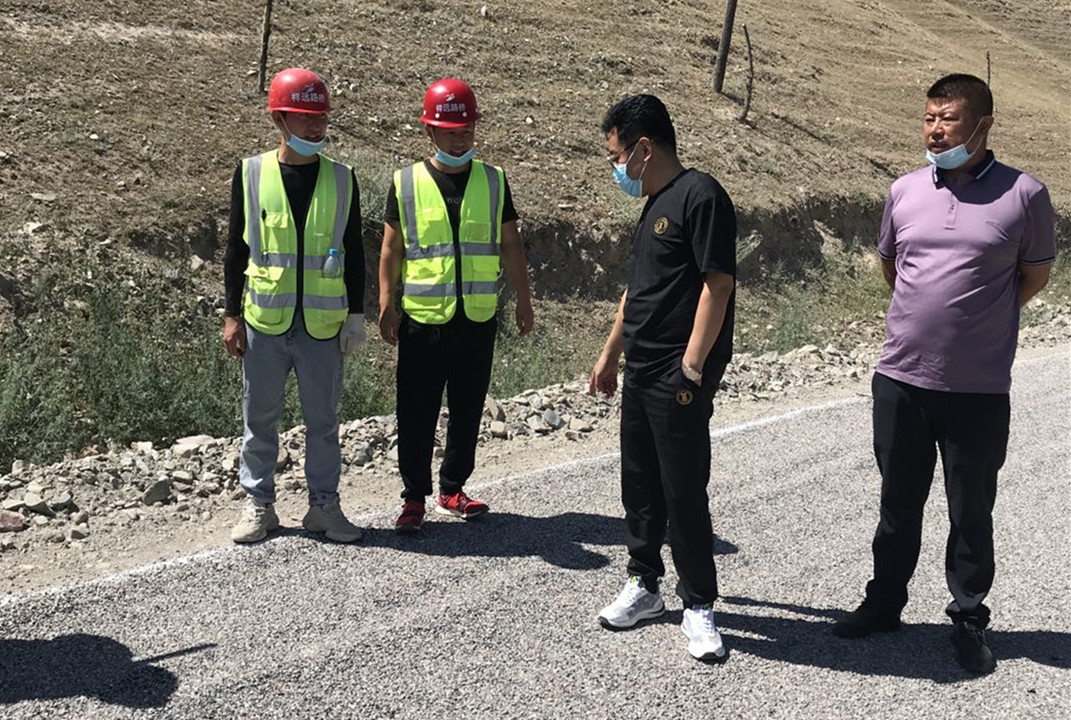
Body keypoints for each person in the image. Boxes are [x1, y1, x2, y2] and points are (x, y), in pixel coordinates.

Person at [832, 74, 1055, 675]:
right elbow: (893, 268)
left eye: (948, 119)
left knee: (970, 510)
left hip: (977, 388)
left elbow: (1033, 277)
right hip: (900, 378)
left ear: (983, 124)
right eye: (929, 118)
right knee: (897, 504)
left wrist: (980, 319)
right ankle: (884, 604)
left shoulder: (1025, 194)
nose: (935, 131)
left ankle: (969, 618)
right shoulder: (903, 190)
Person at [589, 95, 737, 662]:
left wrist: (692, 367)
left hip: (677, 373)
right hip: (641, 367)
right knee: (640, 483)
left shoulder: (702, 195)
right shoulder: (653, 205)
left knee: (682, 489)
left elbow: (717, 284)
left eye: (617, 156)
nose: (616, 168)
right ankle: (644, 584)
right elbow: (637, 291)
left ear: (644, 149)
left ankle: (698, 604)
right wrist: (611, 355)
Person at [378, 78, 534, 534]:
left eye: (466, 129)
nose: (459, 138)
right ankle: (414, 498)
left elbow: (511, 243)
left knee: (467, 408)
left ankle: (453, 488)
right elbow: (391, 248)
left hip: (477, 318)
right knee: (416, 412)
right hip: (423, 322)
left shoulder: (493, 180)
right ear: (429, 131)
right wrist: (386, 302)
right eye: (449, 131)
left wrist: (524, 299)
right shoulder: (406, 182)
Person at [223, 68, 367, 544]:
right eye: (304, 117)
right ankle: (259, 505)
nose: (315, 125)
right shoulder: (251, 173)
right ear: (279, 119)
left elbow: (355, 252)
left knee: (323, 422)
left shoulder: (343, 179)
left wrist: (356, 315)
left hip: (322, 325)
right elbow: (236, 249)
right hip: (265, 321)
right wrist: (231, 315)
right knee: (259, 420)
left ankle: (324, 507)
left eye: (320, 116)